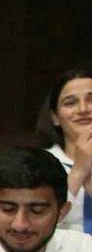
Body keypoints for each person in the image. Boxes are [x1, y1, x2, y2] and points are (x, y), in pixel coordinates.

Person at [38, 67, 92, 234]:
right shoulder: (40, 163)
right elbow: (35, 224)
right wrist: (78, 171)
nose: (83, 109)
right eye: (70, 103)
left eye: (91, 99)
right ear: (55, 117)